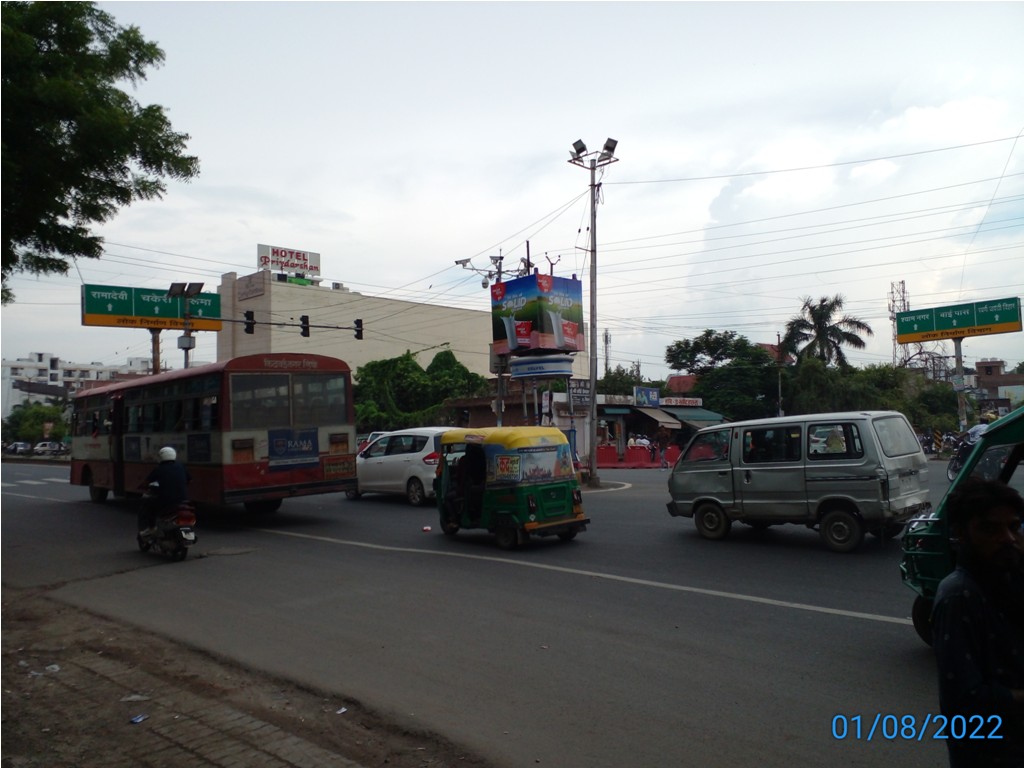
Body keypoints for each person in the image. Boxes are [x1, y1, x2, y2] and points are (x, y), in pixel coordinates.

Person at [930, 478, 1024, 768]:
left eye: (1013, 526)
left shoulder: (1008, 574)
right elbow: (967, 700)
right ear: (961, 534)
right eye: (990, 528)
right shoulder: (959, 595)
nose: (1007, 537)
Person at [140, 446, 191, 534]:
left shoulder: (159, 469)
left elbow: (146, 483)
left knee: (150, 507)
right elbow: (189, 480)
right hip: (183, 499)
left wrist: (142, 487)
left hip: (165, 501)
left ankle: (151, 528)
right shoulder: (181, 466)